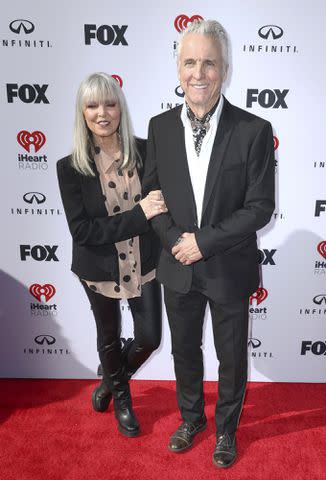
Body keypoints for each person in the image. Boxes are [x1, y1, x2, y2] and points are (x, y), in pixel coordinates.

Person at [142, 20, 275, 467]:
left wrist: (202, 242)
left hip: (227, 266)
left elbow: (259, 207)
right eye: (190, 62)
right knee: (183, 350)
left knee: (232, 357)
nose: (199, 73)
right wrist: (176, 243)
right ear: (178, 68)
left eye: (209, 63)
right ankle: (192, 418)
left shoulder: (253, 129)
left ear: (226, 69)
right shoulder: (158, 127)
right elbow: (151, 196)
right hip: (177, 264)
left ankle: (226, 430)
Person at [57, 72, 167, 438]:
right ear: (82, 113)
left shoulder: (147, 150)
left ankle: (107, 382)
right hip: (98, 267)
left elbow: (163, 207)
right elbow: (83, 231)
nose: (102, 113)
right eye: (92, 105)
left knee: (149, 336)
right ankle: (122, 397)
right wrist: (139, 215)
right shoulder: (69, 168)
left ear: (120, 108)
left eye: (110, 103)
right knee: (109, 335)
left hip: (145, 262)